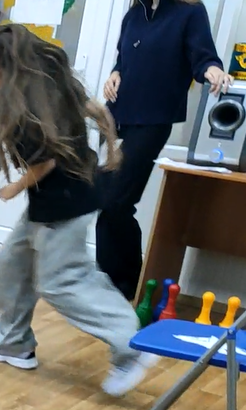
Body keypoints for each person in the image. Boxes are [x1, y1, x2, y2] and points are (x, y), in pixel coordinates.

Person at [0, 23, 155, 397]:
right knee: (11, 264)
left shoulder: (24, 110)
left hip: (66, 205)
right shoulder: (41, 91)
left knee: (62, 281)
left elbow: (45, 163)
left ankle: (130, 345)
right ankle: (14, 344)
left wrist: (14, 187)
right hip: (55, 200)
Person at [97, 0, 232, 301]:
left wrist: (214, 71)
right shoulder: (135, 13)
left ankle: (128, 283)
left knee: (118, 201)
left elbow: (203, 58)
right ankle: (105, 281)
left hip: (153, 121)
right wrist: (114, 74)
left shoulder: (190, 11)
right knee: (104, 200)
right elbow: (124, 58)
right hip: (115, 116)